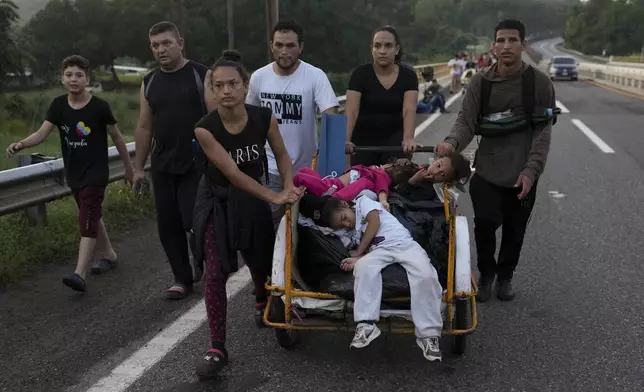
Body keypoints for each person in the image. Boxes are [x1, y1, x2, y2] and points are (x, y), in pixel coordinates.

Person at [191, 49, 302, 380]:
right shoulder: (204, 129)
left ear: (245, 85)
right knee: (215, 271)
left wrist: (290, 186)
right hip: (217, 199)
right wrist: (274, 196)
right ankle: (217, 347)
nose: (226, 91)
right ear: (211, 89)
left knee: (260, 260)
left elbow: (281, 154)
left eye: (232, 84)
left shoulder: (262, 116)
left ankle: (260, 299)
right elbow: (233, 173)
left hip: (252, 195)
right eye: (218, 85)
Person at [436, 19, 556, 302]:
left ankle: (505, 277)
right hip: (488, 169)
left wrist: (531, 171)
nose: (506, 46)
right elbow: (466, 121)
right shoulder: (481, 82)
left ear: (523, 45)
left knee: (516, 230)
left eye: (513, 40)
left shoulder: (539, 83)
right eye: (501, 41)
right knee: (485, 224)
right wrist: (451, 144)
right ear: (493, 46)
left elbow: (543, 130)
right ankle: (486, 274)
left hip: (523, 173)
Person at [5, 55, 134, 293]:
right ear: (62, 78)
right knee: (91, 214)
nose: (73, 79)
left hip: (95, 174)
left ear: (87, 78)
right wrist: (21, 144)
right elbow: (42, 133)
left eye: (79, 75)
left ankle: (79, 274)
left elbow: (117, 137)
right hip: (73, 173)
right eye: (69, 75)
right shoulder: (58, 106)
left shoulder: (99, 107)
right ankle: (110, 255)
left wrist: (129, 168)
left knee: (86, 220)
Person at [132, 21, 217, 300]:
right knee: (168, 225)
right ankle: (182, 278)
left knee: (193, 219)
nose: (161, 50)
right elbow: (144, 127)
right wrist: (137, 169)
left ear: (180, 43)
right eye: (155, 45)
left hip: (196, 162)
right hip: (163, 164)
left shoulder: (200, 75)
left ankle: (202, 260)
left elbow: (216, 119)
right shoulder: (150, 82)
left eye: (166, 43)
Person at [322, 195, 443, 362]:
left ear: (345, 205)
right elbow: (367, 249)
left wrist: (358, 252)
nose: (346, 224)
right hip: (379, 251)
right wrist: (358, 259)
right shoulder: (353, 233)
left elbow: (375, 222)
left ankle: (429, 335)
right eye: (341, 224)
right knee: (363, 268)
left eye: (344, 218)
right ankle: (366, 324)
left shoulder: (362, 202)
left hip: (403, 244)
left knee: (425, 275)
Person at [246, 19, 339, 229]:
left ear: (301, 47)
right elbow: (248, 118)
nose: (284, 51)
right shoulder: (259, 78)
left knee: (307, 226)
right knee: (269, 226)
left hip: (306, 169)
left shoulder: (315, 76)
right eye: (279, 45)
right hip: (270, 168)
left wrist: (331, 156)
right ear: (271, 46)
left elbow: (331, 115)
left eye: (290, 45)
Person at [345, 25, 420, 167]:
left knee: (396, 182)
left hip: (395, 143)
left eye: (388, 46)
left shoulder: (408, 76)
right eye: (377, 46)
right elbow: (351, 110)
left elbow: (409, 109)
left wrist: (408, 139)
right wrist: (346, 139)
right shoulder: (360, 74)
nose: (382, 51)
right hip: (363, 142)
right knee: (362, 184)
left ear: (396, 50)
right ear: (371, 49)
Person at [293, 152, 470, 209]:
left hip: (373, 187)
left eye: (443, 174)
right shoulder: (420, 167)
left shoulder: (429, 190)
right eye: (438, 165)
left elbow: (399, 201)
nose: (436, 172)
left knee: (301, 177)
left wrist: (413, 182)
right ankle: (323, 192)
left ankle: (326, 198)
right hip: (367, 176)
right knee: (304, 171)